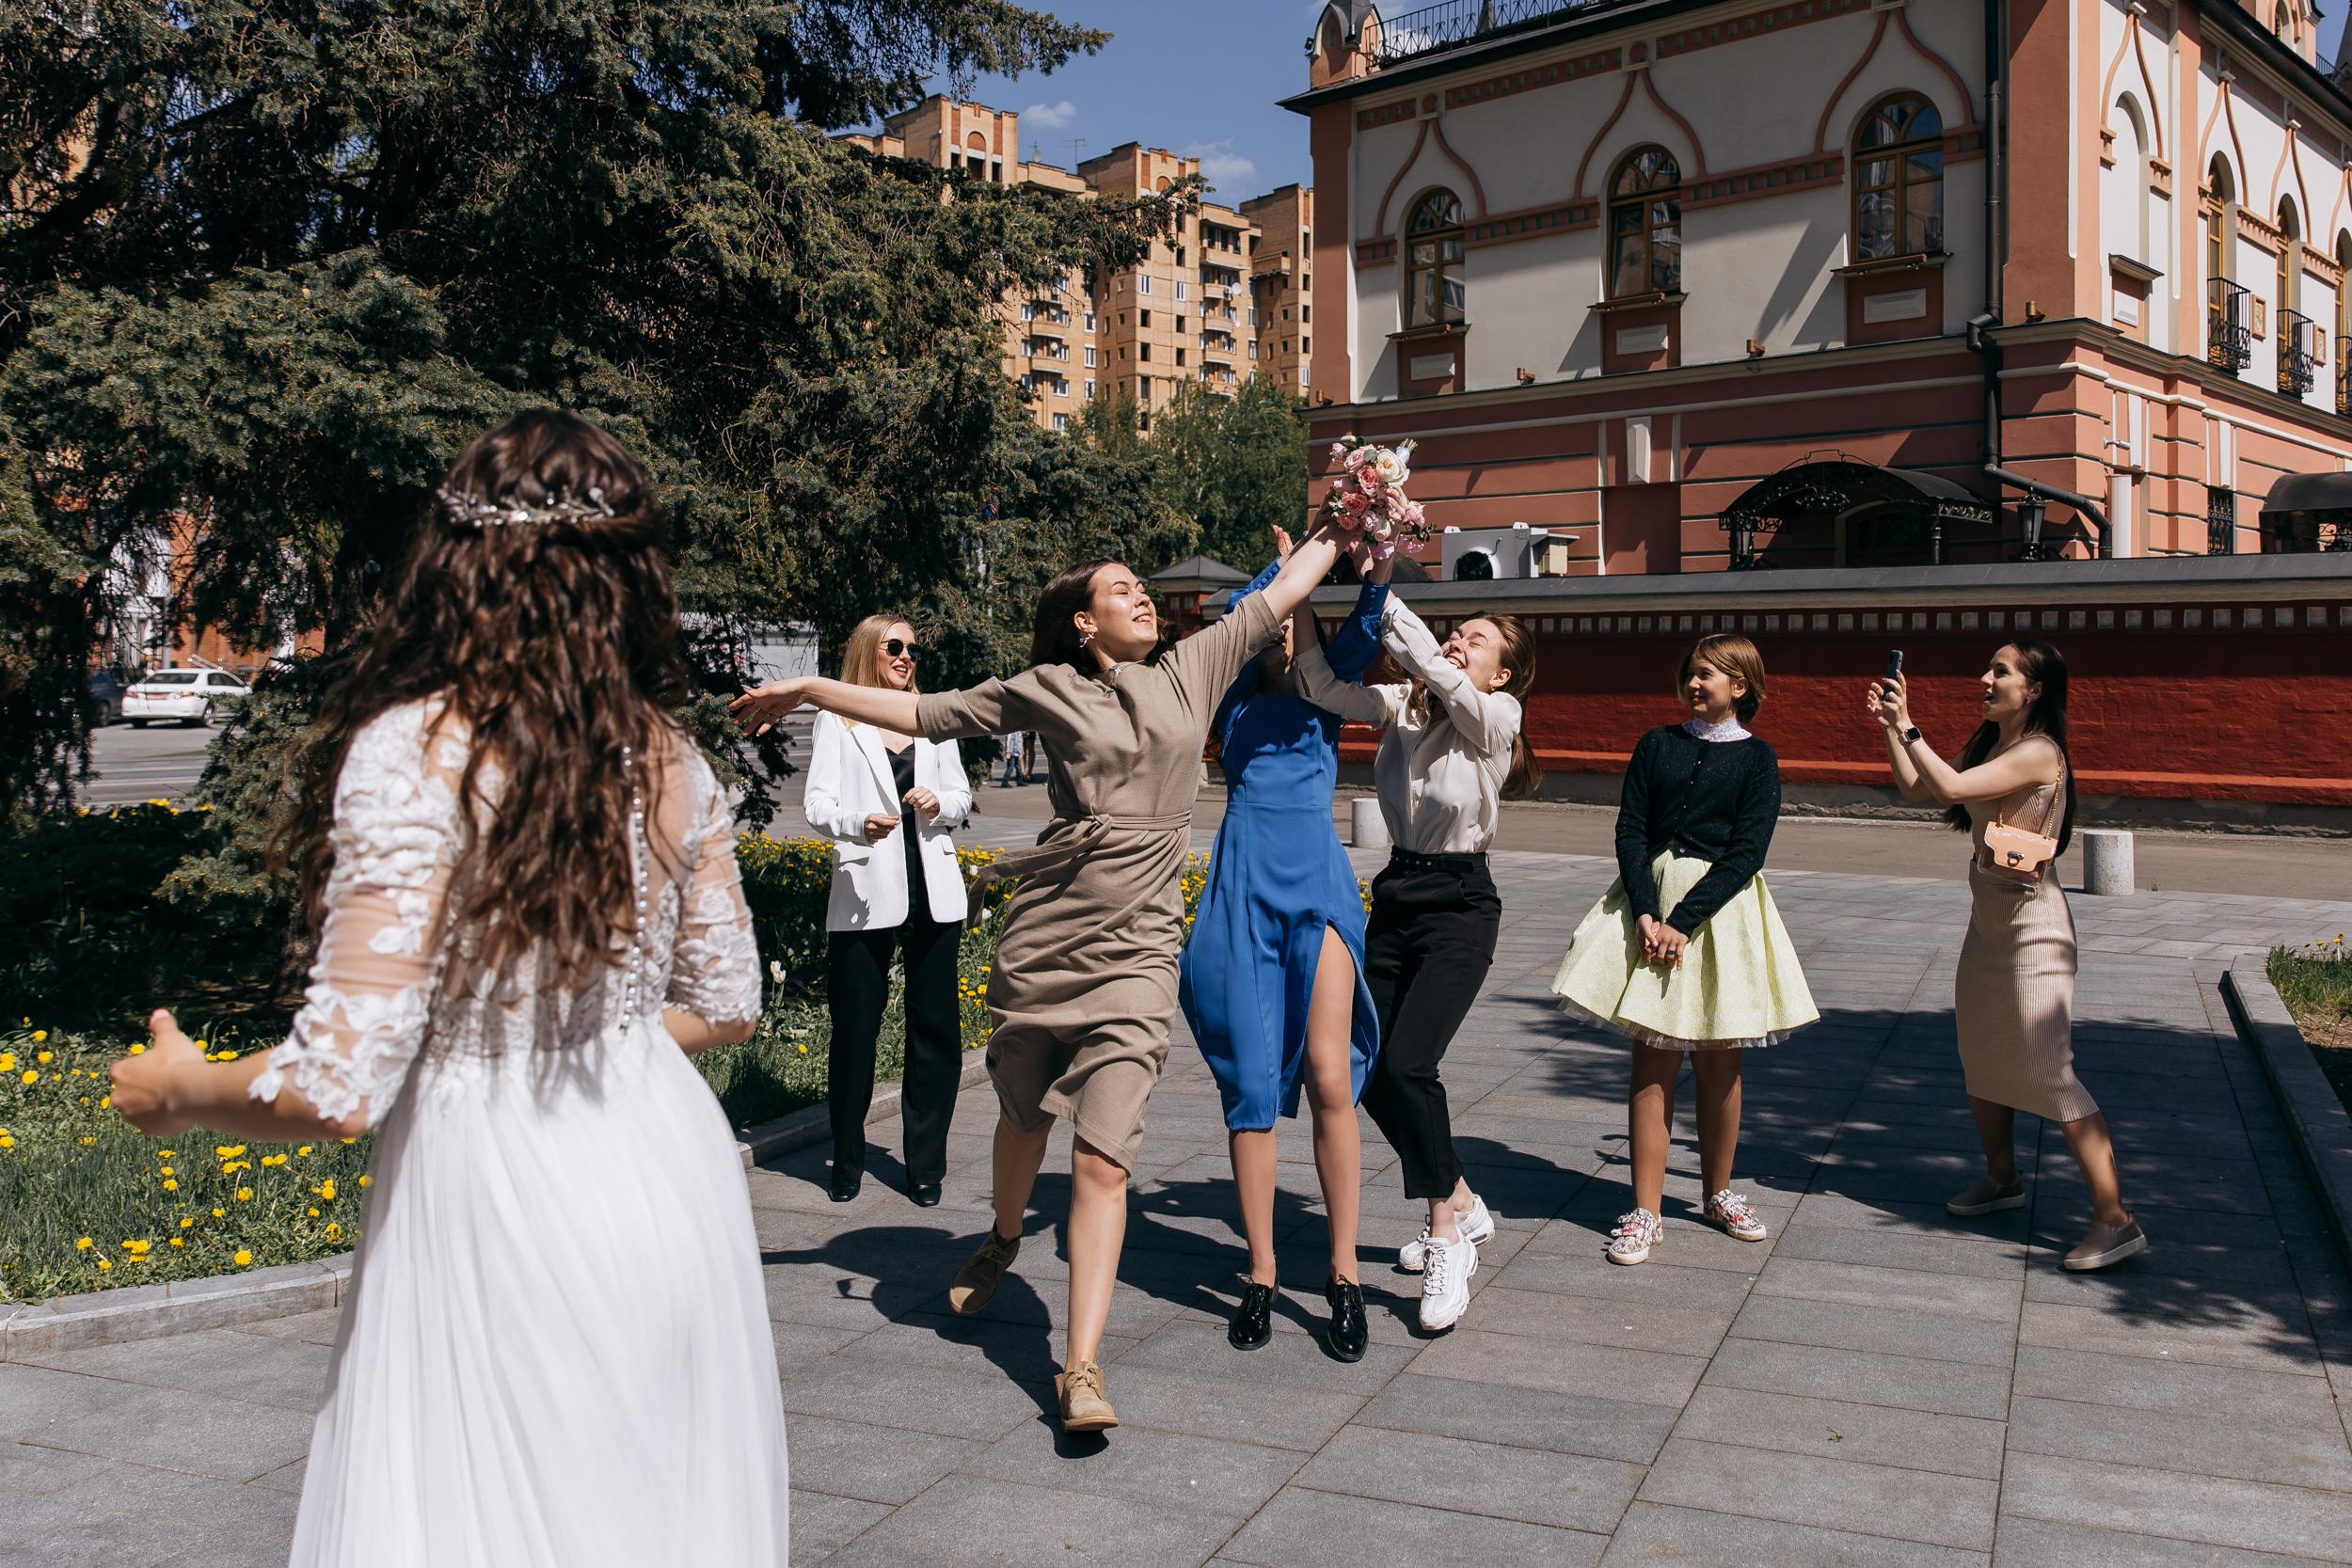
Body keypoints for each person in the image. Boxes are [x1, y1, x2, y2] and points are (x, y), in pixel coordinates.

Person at [107, 410, 789, 1565]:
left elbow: (338, 1085)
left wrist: (182, 1087)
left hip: (498, 1190)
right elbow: (726, 1001)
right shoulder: (675, 757)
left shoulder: (418, 748)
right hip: (669, 1176)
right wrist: (601, 1042)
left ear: (459, 563)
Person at [733, 526, 1346, 1432]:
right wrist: (807, 686)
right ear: (1083, 622)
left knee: (1104, 1158)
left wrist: (1357, 509)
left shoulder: (1197, 665)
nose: (1143, 597)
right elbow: (924, 713)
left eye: (1144, 586)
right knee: (1023, 1117)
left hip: (1139, 949)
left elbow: (1290, 586)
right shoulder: (1048, 688)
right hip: (1051, 936)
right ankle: (1005, 1236)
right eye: (1121, 589)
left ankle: (1083, 1365)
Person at [1293, 553, 1538, 1333]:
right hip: (1397, 893)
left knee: (1409, 1063)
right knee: (1364, 1067)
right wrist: (1296, 598)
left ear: (1502, 675)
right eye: (1456, 631)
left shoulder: (1498, 719)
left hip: (1462, 905)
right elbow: (1321, 690)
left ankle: (1444, 1236)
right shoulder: (1404, 703)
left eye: (1475, 639)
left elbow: (1436, 668)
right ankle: (1461, 1200)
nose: (1458, 642)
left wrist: (1382, 589)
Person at [1869, 641, 2148, 1271]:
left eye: (2002, 671)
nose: (1986, 678)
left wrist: (1909, 723)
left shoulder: (2039, 751)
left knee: (2050, 1071)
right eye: (1988, 668)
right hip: (1989, 920)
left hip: (2034, 928)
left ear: (2036, 688)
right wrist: (1892, 729)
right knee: (1981, 1051)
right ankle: (2002, 1178)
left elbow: (1953, 784)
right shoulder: (1994, 742)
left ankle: (2116, 1218)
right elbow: (1921, 787)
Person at [1180, 531, 1386, 1361]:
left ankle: (1342, 1275)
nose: (1283, 629)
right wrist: (1283, 566)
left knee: (1332, 1075)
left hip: (1320, 892)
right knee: (1252, 1088)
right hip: (1243, 890)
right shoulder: (1228, 700)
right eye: (1276, 619)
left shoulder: (1329, 693)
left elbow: (1370, 622)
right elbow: (1237, 619)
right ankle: (1261, 1272)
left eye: (1298, 618)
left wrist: (1360, 560)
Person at [1551, 635, 1819, 1265]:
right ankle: (1645, 1208)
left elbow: (1749, 851)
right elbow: (1631, 830)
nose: (1696, 682)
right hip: (1651, 904)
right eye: (1692, 672)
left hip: (1722, 914)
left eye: (1711, 674)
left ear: (1743, 686)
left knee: (1721, 1057)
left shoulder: (1759, 760)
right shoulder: (1656, 744)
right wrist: (1647, 909)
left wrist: (1686, 919)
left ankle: (1717, 1190)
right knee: (1653, 1057)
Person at [803, 615, 972, 1205]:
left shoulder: (933, 719)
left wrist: (940, 801)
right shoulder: (838, 719)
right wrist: (856, 823)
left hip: (933, 888)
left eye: (913, 649)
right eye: (894, 647)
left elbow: (961, 794)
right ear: (866, 653)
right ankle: (845, 1161)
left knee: (935, 1035)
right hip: (864, 890)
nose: (906, 657)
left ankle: (925, 1167)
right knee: (854, 1033)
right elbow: (816, 804)